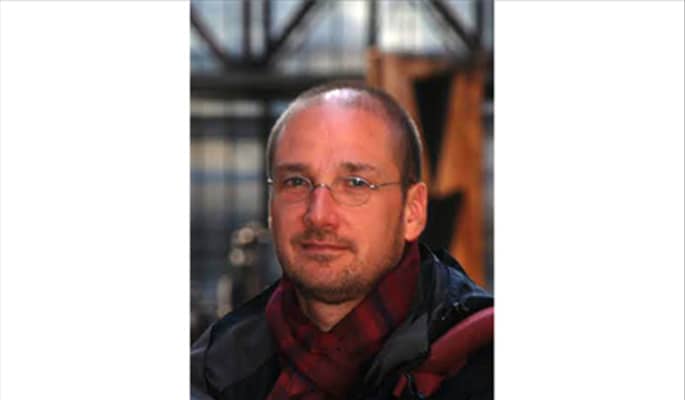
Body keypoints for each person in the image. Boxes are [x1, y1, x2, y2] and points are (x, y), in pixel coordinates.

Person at [191, 82, 493, 400]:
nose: (319, 215)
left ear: (412, 211)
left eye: (355, 183)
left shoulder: (485, 365)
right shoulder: (213, 371)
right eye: (295, 182)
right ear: (271, 207)